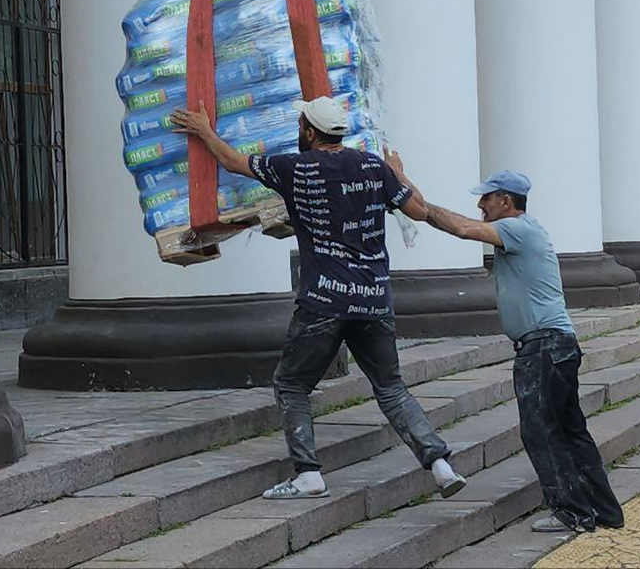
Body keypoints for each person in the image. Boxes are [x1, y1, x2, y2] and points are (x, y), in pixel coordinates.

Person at [172, 96, 466, 500]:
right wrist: (400, 174)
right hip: (374, 298)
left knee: (291, 384)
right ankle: (440, 465)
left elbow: (233, 163)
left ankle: (308, 473)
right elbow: (417, 211)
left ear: (309, 132)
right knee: (391, 388)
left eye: (300, 124)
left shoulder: (295, 167)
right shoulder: (373, 166)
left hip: (324, 301)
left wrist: (204, 130)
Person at [381, 158, 625, 534]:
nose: (481, 206)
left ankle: (572, 513)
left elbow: (461, 229)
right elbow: (455, 220)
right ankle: (603, 510)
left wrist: (401, 184)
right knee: (570, 430)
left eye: (487, 200)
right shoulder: (523, 229)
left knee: (541, 431)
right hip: (556, 346)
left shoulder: (517, 229)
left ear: (507, 202)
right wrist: (407, 188)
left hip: (543, 348)